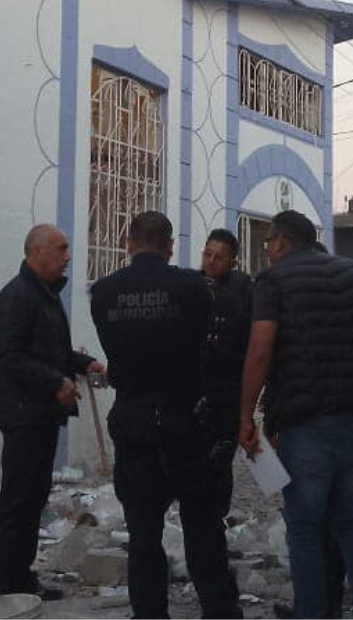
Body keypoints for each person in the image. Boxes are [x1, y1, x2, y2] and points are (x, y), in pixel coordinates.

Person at [239, 210, 353, 619]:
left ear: (282, 242)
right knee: (351, 526)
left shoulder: (274, 281)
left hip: (309, 425)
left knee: (304, 530)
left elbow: (261, 349)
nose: (266, 249)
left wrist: (245, 417)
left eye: (268, 241)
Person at [91, 212, 241, 619]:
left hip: (135, 419)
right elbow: (206, 347)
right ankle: (220, 611)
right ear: (170, 245)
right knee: (202, 525)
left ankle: (150, 613)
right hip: (185, 421)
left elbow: (115, 356)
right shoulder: (194, 287)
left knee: (143, 532)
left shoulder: (103, 292)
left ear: (127, 242)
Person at [0, 224, 106, 601]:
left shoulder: (44, 296)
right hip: (22, 414)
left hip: (41, 413)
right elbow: (10, 358)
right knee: (16, 498)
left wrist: (86, 364)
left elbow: (53, 353)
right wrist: (55, 382)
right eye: (61, 249)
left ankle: (19, 577)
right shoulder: (16, 298)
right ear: (37, 252)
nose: (68, 256)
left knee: (34, 496)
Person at [198, 228, 253, 520]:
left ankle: (216, 524)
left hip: (228, 393)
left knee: (220, 465)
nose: (211, 261)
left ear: (233, 261)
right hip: (196, 393)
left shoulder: (244, 290)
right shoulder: (192, 285)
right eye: (208, 254)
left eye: (220, 257)